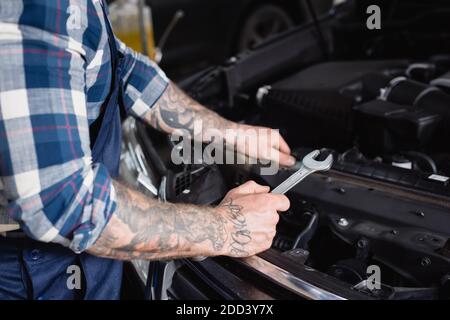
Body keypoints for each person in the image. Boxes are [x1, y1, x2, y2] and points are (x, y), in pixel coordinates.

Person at [0, 0, 294, 300]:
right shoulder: (34, 7)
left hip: (76, 251)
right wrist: (227, 228)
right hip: (31, 271)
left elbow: (120, 65)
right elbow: (63, 201)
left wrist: (229, 133)